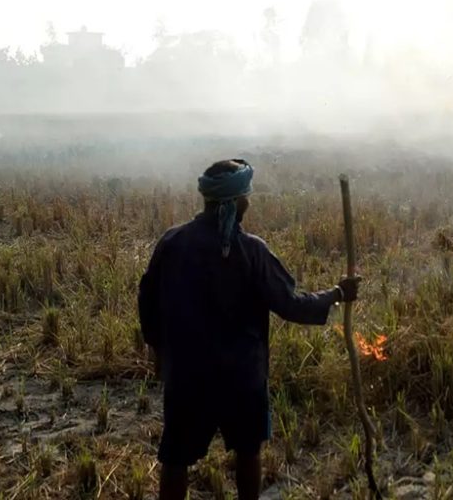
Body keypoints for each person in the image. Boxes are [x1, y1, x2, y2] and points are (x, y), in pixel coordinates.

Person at [138, 158, 361, 500]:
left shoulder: (173, 243)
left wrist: (158, 351)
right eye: (246, 195)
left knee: (176, 457)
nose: (249, 201)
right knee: (247, 452)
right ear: (234, 201)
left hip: (187, 376)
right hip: (240, 378)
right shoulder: (251, 251)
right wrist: (337, 294)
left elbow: (147, 302)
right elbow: (291, 305)